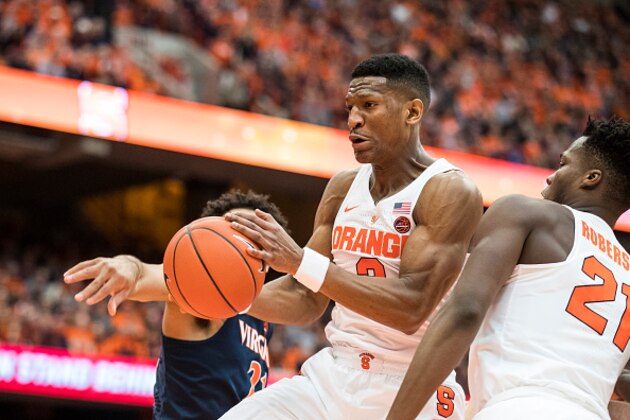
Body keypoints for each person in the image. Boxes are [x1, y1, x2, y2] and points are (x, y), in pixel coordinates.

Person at [220, 53, 483, 418]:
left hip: (413, 387)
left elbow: (411, 307)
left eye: (369, 105)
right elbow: (305, 297)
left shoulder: (448, 191)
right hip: (334, 375)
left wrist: (298, 261)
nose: (353, 120)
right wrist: (226, 297)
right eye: (350, 108)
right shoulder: (344, 187)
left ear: (412, 112)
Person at [387, 117, 630, 420]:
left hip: (520, 407)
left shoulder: (527, 213)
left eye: (563, 164)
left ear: (591, 178)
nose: (551, 177)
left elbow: (465, 311)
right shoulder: (626, 271)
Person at [64, 190, 289, 420]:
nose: (242, 236)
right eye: (233, 228)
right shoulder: (200, 293)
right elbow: (145, 274)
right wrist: (129, 266)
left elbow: (307, 297)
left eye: (252, 232)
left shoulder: (263, 311)